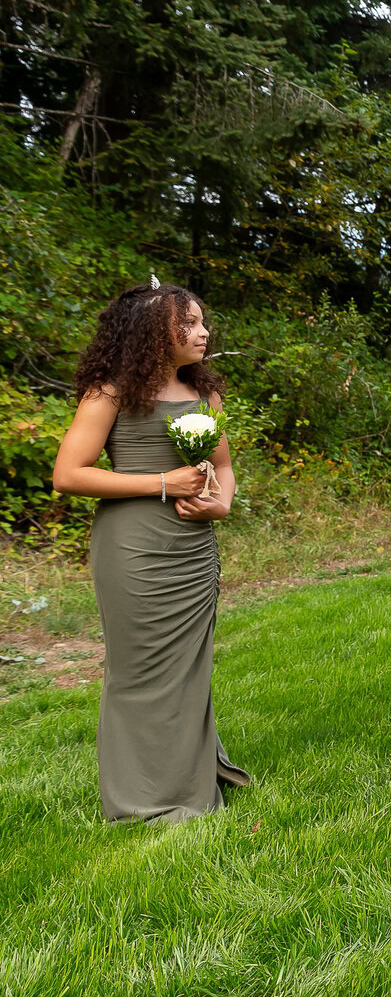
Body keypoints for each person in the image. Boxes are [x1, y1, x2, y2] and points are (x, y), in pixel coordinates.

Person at [51, 279, 251, 823]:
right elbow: (68, 474)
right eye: (188, 323)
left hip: (193, 547)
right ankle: (141, 797)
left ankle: (190, 781)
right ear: (150, 333)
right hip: (135, 547)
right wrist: (164, 483)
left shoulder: (205, 394)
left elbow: (224, 468)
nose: (203, 332)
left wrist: (220, 506)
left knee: (190, 668)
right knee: (139, 671)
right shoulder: (110, 392)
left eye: (202, 321)